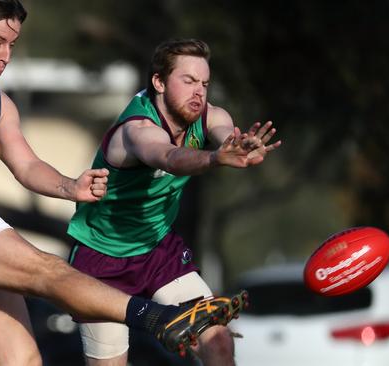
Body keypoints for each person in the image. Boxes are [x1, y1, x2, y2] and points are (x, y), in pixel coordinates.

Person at [0, 2, 245, 364]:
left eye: (11, 45)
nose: (5, 56)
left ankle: (161, 316)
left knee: (23, 358)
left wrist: (71, 187)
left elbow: (27, 166)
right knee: (47, 271)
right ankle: (159, 318)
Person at [67, 38, 282, 366]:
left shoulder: (208, 115)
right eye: (189, 81)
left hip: (158, 252)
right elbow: (168, 156)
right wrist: (214, 159)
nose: (199, 91)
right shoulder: (137, 129)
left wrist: (236, 146)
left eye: (205, 84)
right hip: (102, 260)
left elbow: (224, 131)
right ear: (159, 82)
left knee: (219, 341)